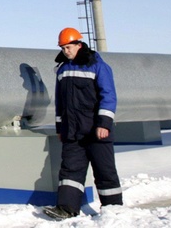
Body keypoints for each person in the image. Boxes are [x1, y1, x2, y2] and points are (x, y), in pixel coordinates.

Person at [43, 27, 124, 220]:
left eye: (68, 47)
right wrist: (61, 128)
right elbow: (60, 102)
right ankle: (66, 209)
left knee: (104, 171)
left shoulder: (98, 66)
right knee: (70, 171)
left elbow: (108, 96)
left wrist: (104, 124)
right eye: (63, 48)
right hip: (72, 131)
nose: (65, 51)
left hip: (96, 130)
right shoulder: (63, 70)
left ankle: (113, 209)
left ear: (79, 45)